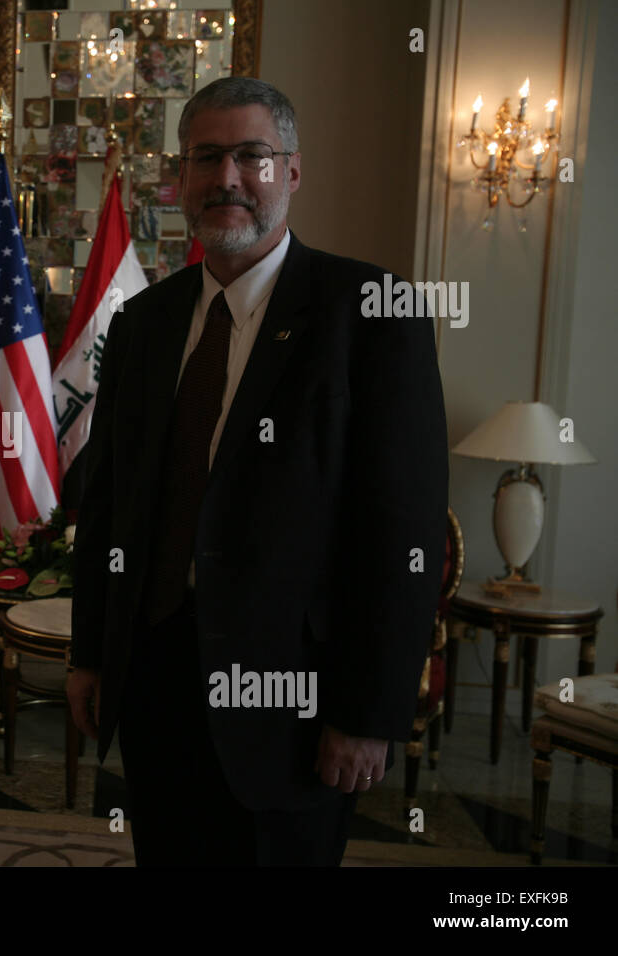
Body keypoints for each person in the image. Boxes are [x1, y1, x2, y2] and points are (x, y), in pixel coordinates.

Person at [66, 77, 448, 866]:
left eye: (251, 156)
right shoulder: (143, 322)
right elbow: (109, 503)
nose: (227, 178)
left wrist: (369, 710)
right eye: (206, 158)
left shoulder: (371, 311)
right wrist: (90, 653)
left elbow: (400, 532)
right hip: (157, 681)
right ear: (180, 179)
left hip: (296, 703)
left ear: (292, 172)